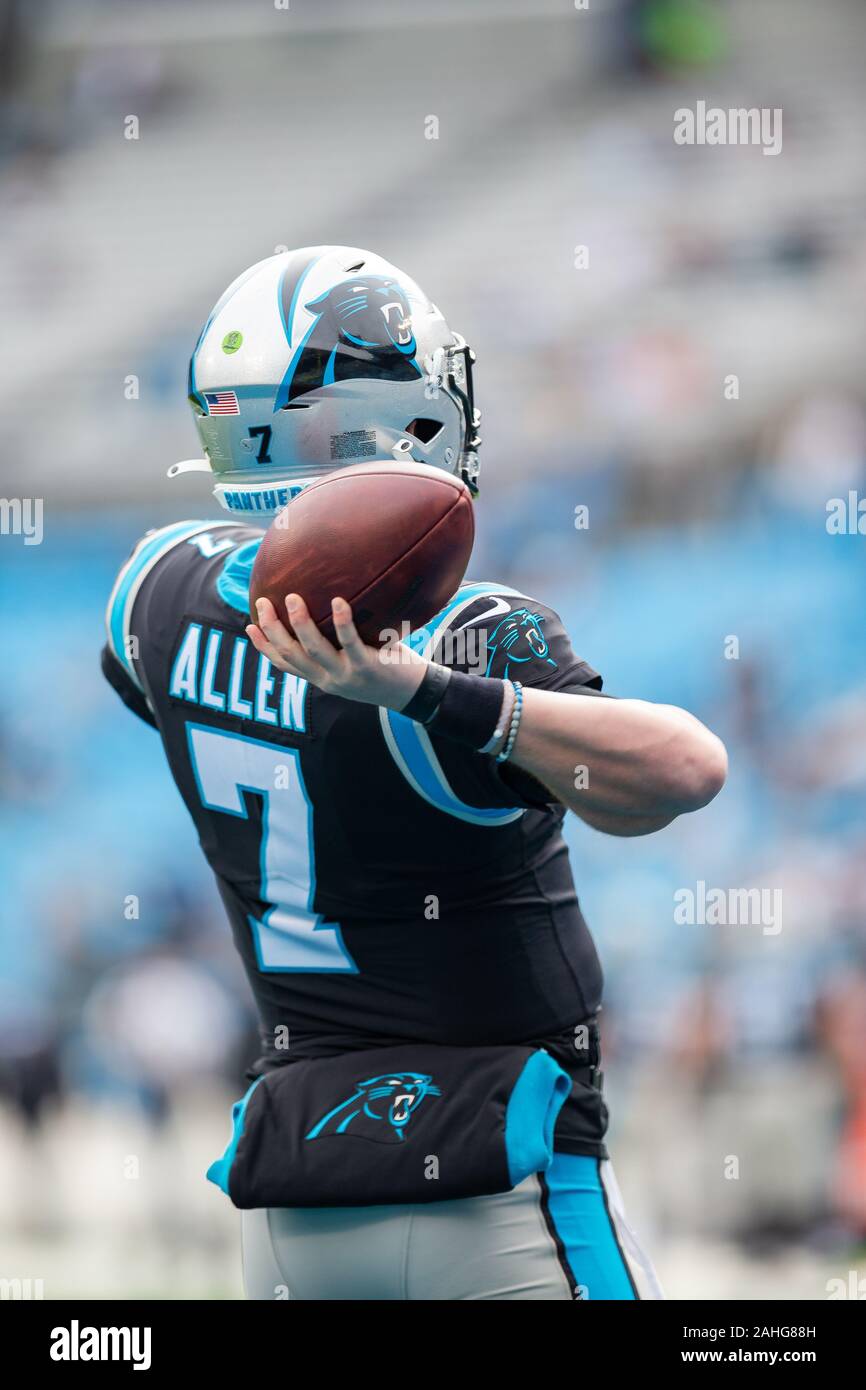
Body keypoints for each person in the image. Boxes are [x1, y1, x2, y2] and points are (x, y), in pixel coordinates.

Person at [103, 245, 727, 1300]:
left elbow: (159, 681)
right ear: (367, 414)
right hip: (497, 1190)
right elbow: (684, 769)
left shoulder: (158, 590)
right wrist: (419, 692)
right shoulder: (470, 634)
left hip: (292, 1202)